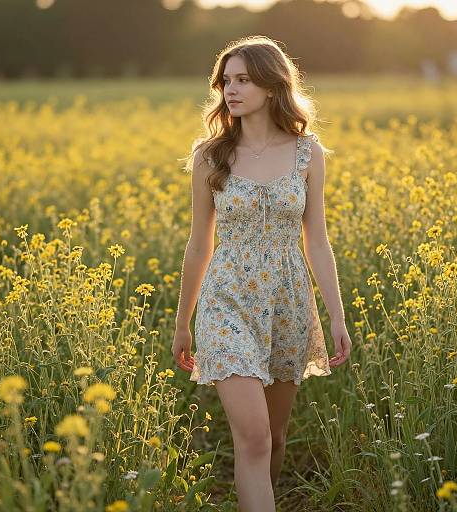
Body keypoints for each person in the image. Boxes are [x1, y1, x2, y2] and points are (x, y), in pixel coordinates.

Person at [172, 35, 352, 512]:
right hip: (226, 300)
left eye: (243, 80)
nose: (231, 90)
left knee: (272, 436)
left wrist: (336, 316)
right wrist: (182, 322)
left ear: (272, 86)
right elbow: (198, 244)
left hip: (288, 301)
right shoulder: (210, 156)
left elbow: (316, 239)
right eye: (226, 81)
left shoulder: (308, 154)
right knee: (251, 438)